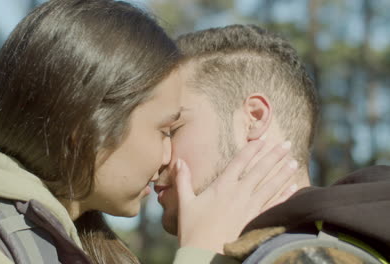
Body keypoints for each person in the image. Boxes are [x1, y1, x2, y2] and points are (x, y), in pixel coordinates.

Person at [0, 2, 296, 264]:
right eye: (166, 129)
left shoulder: (78, 243)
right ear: (87, 125)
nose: (169, 157)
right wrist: (200, 254)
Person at [157, 24, 390, 263]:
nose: (159, 157)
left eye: (171, 130)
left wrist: (197, 256)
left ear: (254, 119)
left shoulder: (309, 258)